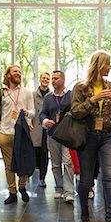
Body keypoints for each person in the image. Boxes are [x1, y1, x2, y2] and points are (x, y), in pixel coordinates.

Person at [71, 50, 111, 222]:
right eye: (108, 63)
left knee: (109, 177)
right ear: (99, 65)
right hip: (88, 136)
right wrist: (93, 100)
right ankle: (84, 212)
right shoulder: (81, 88)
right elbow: (75, 112)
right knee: (85, 180)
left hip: (108, 135)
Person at [0, 65, 35, 205]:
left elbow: (33, 111)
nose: (19, 73)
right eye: (15, 71)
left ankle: (22, 187)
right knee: (9, 166)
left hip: (21, 133)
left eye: (20, 72)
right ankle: (12, 192)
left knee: (23, 161)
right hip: (5, 134)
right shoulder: (0, 93)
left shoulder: (27, 92)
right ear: (8, 75)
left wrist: (28, 114)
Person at [40, 70, 74, 204]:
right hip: (53, 134)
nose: (53, 81)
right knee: (55, 164)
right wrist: (45, 121)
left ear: (63, 80)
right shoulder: (48, 97)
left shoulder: (71, 95)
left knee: (68, 162)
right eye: (52, 79)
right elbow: (42, 114)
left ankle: (69, 191)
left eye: (56, 78)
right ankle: (59, 188)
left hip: (67, 135)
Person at [30, 72, 50, 188]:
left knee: (44, 154)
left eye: (48, 79)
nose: (45, 80)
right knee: (33, 153)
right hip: (35, 127)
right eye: (44, 78)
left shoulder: (52, 95)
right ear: (40, 79)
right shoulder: (33, 95)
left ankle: (42, 178)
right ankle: (30, 175)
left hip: (46, 128)